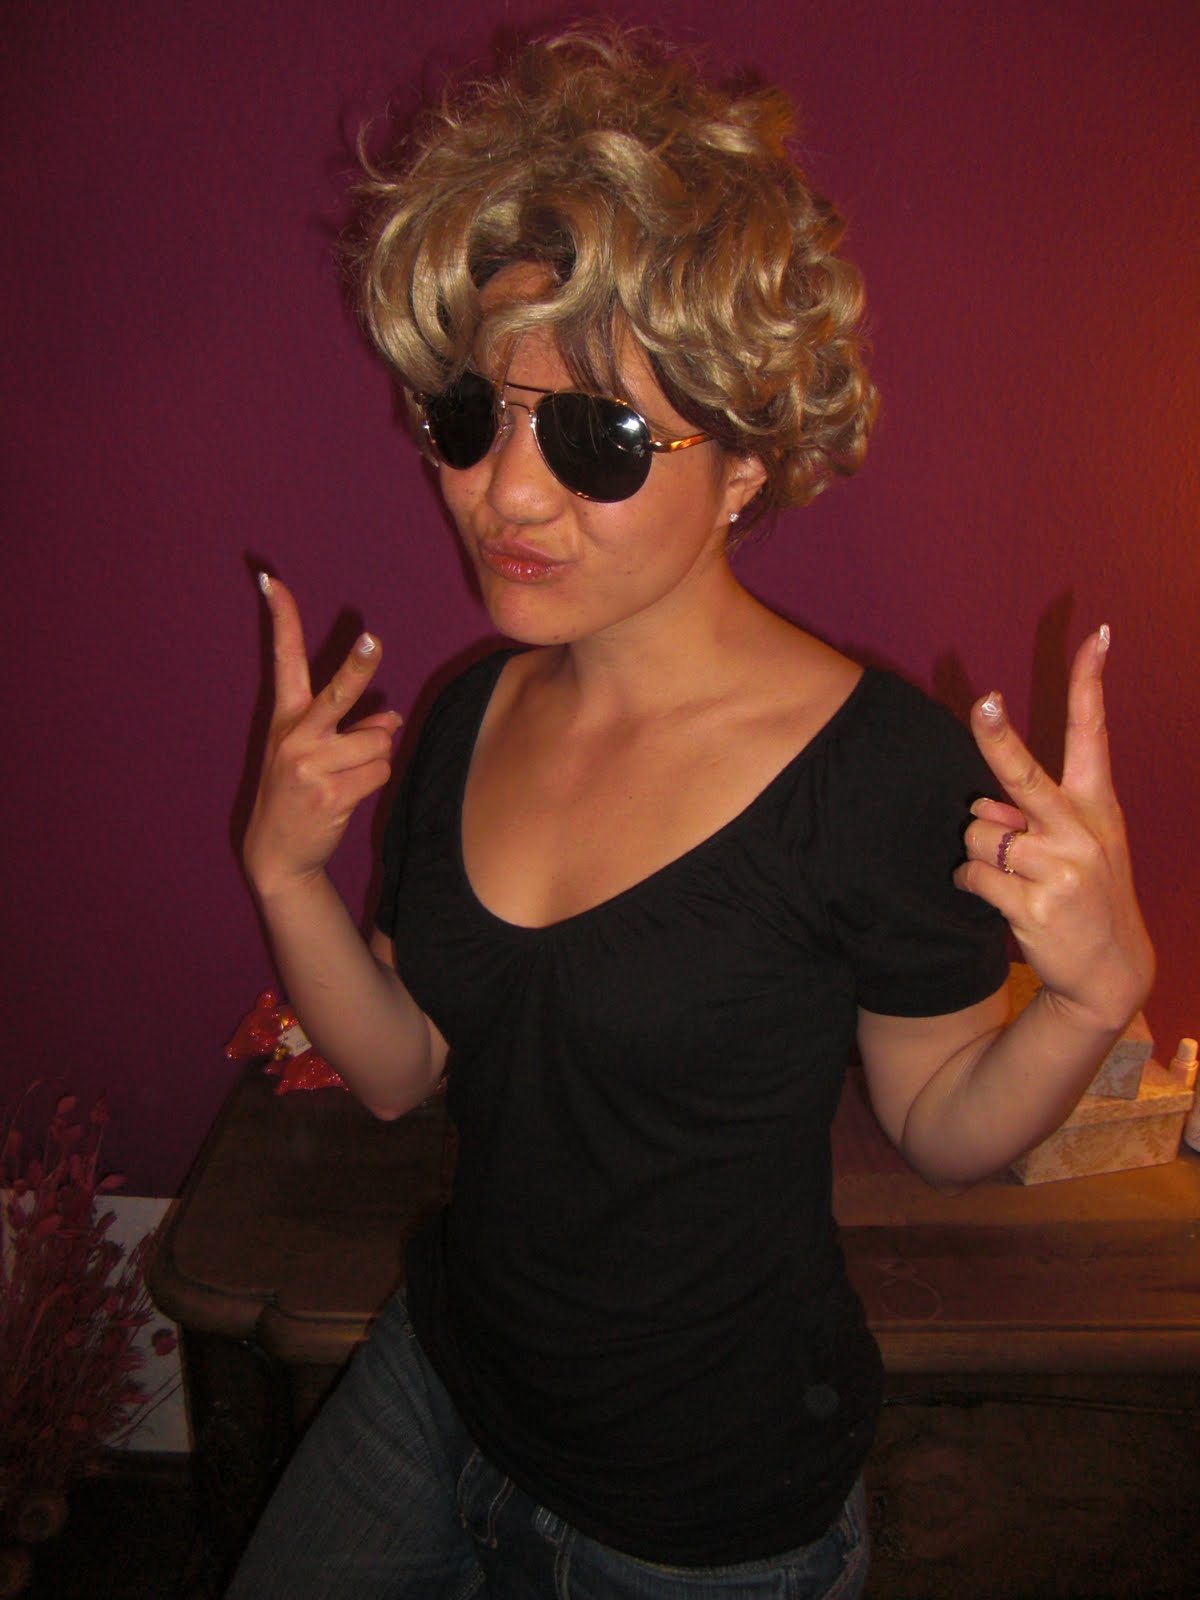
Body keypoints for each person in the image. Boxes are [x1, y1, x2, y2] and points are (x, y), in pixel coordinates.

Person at [228, 24, 1154, 1600]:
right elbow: (405, 1071)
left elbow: (941, 1129)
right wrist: (284, 875)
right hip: (443, 1373)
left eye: (594, 436)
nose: (507, 493)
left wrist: (1090, 996)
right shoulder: (467, 718)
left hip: (692, 1509)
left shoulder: (878, 774)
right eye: (472, 415)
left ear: (744, 467)